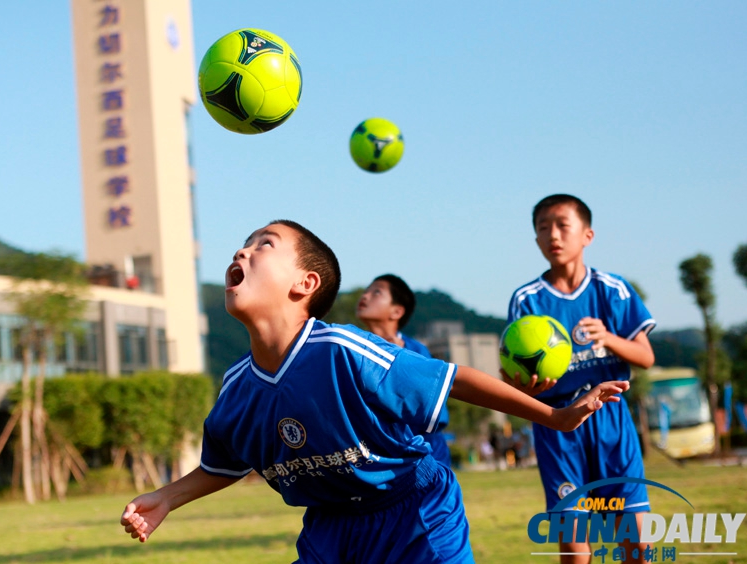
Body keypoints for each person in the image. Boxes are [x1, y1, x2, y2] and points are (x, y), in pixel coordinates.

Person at [121, 219, 629, 563]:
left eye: (264, 244)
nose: (242, 250)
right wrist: (165, 498)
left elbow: (453, 379)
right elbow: (223, 464)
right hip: (329, 529)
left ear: (305, 284)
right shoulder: (236, 389)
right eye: (244, 244)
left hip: (412, 511)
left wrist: (554, 416)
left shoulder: (342, 348)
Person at [503, 194, 655, 564]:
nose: (552, 235)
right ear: (536, 240)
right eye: (543, 228)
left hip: (612, 422)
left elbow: (646, 357)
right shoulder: (527, 300)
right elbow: (512, 378)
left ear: (587, 235)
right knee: (574, 543)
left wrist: (608, 338)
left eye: (562, 225)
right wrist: (529, 388)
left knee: (636, 538)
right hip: (559, 426)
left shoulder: (612, 289)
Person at [356, 273, 452, 467]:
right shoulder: (353, 350)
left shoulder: (416, 352)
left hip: (426, 455)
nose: (364, 296)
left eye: (376, 292)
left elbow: (434, 413)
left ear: (397, 312)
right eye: (366, 291)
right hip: (379, 460)